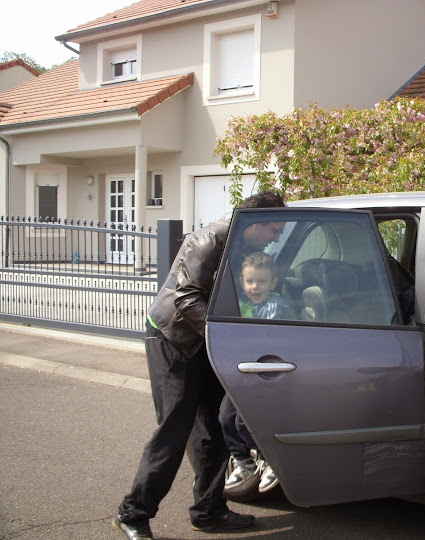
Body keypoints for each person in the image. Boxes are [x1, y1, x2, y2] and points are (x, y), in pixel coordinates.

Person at [113, 191, 286, 540]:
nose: (277, 237)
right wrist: (226, 339)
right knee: (174, 430)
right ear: (255, 223)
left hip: (205, 341)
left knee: (212, 430)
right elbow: (186, 296)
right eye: (275, 229)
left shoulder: (242, 245)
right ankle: (132, 513)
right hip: (174, 340)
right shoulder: (209, 240)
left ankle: (208, 511)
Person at [221, 251, 291, 499]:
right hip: (241, 375)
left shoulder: (276, 307)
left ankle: (267, 460)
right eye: (250, 281)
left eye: (261, 281)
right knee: (225, 418)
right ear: (241, 282)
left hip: (263, 374)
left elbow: (266, 342)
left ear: (273, 283)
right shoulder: (242, 305)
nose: (255, 286)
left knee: (246, 422)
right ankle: (243, 462)